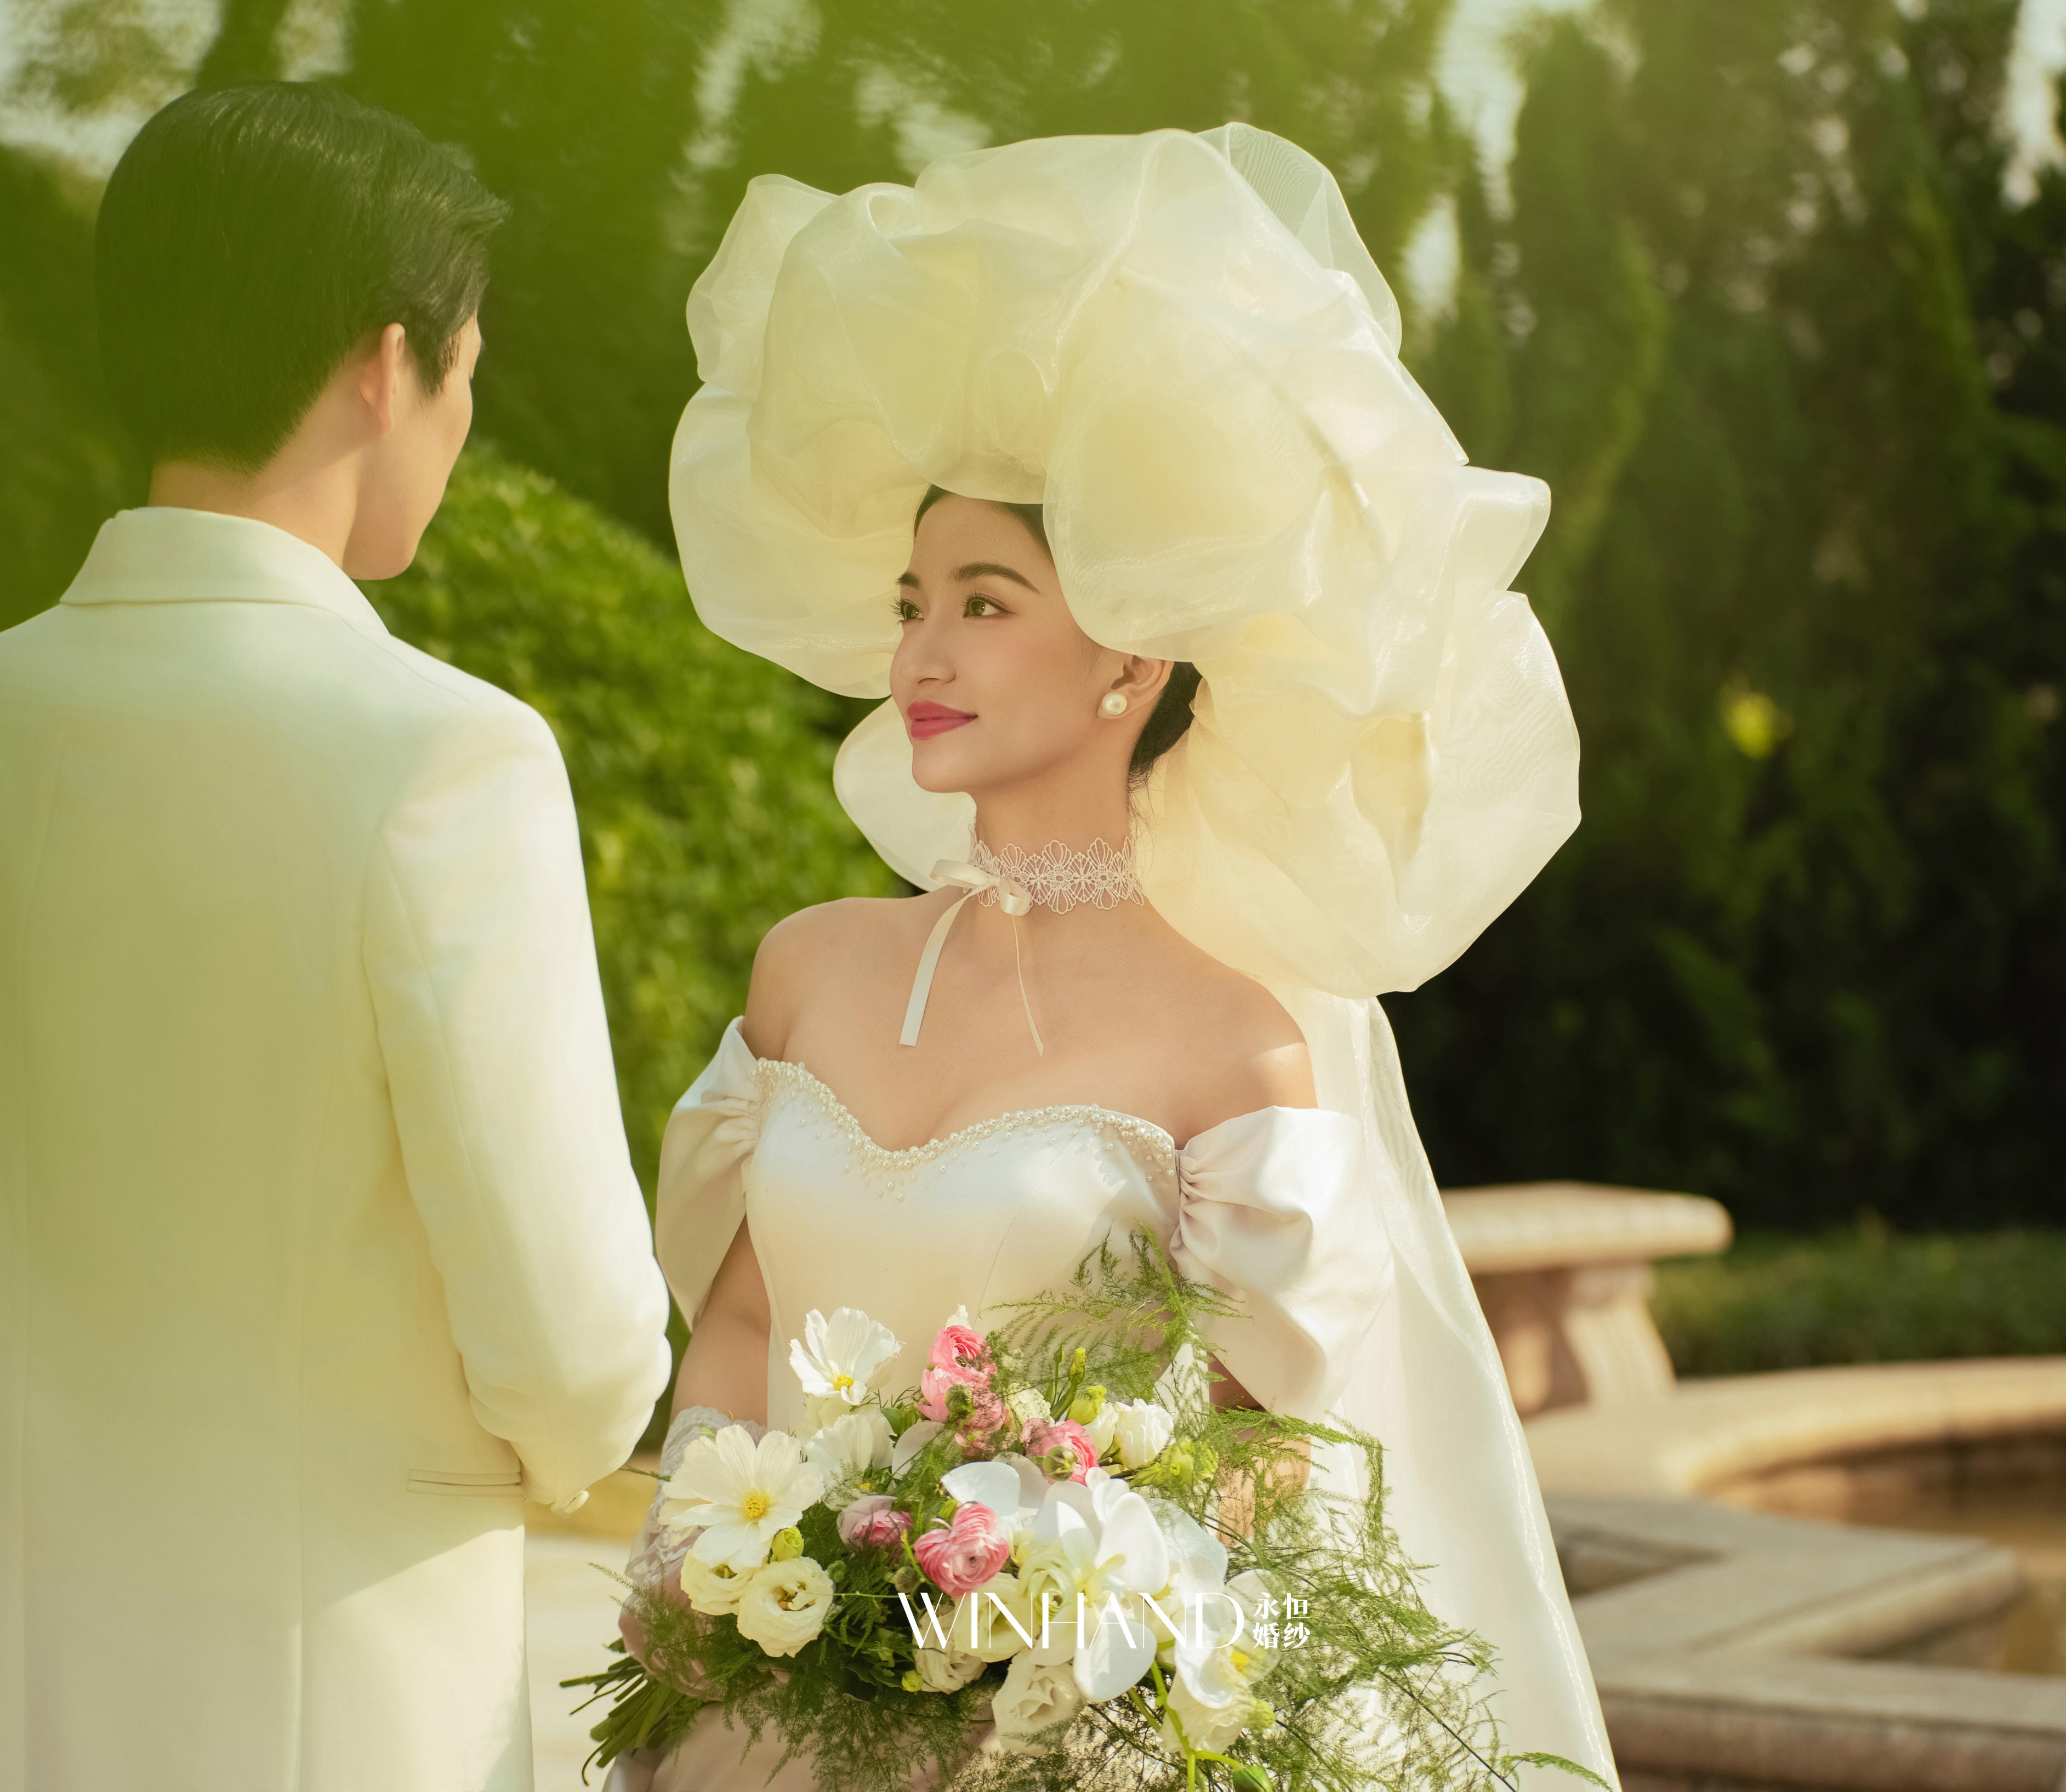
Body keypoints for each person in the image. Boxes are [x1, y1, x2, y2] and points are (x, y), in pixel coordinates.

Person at [607, 125, 1616, 1789]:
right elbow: (732, 1335)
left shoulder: (1239, 1049)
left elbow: (1265, 1462)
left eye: (985, 602)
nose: (920, 647)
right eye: (913, 597)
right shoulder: (808, 969)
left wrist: (973, 1618)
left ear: (1129, 659)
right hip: (758, 1719)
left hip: (1046, 1737)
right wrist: (694, 1595)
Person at [0, 82, 672, 1792]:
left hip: (12, 1694)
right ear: (385, 363)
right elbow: (576, 1358)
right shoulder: (443, 753)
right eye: (465, 382)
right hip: (346, 1705)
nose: (454, 431)